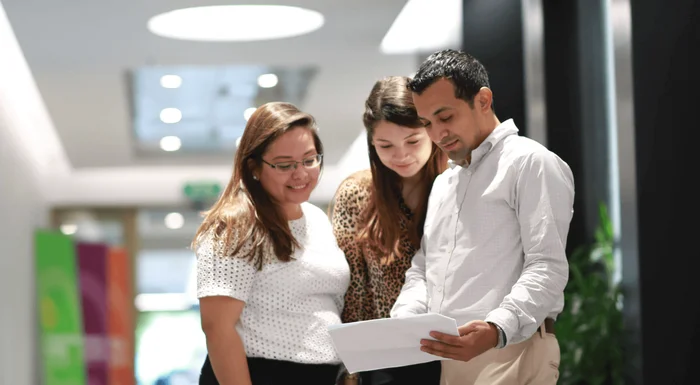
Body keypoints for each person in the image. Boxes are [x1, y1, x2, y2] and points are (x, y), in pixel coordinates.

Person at [390, 49, 575, 385]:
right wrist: (406, 318)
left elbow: (547, 266)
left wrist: (495, 330)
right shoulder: (444, 182)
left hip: (514, 350)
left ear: (483, 100)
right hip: (451, 358)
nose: (437, 134)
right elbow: (424, 266)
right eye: (427, 123)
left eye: (445, 117)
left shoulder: (530, 163)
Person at [193, 102, 350, 385]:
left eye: (310, 159)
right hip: (260, 374)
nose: (300, 173)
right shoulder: (236, 224)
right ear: (254, 167)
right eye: (284, 165)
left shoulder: (316, 218)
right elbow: (217, 327)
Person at [331, 76, 448, 385]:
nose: (401, 155)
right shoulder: (356, 194)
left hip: (454, 349)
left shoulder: (459, 185)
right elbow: (353, 293)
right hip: (385, 359)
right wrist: (351, 369)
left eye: (413, 141)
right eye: (385, 145)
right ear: (371, 143)